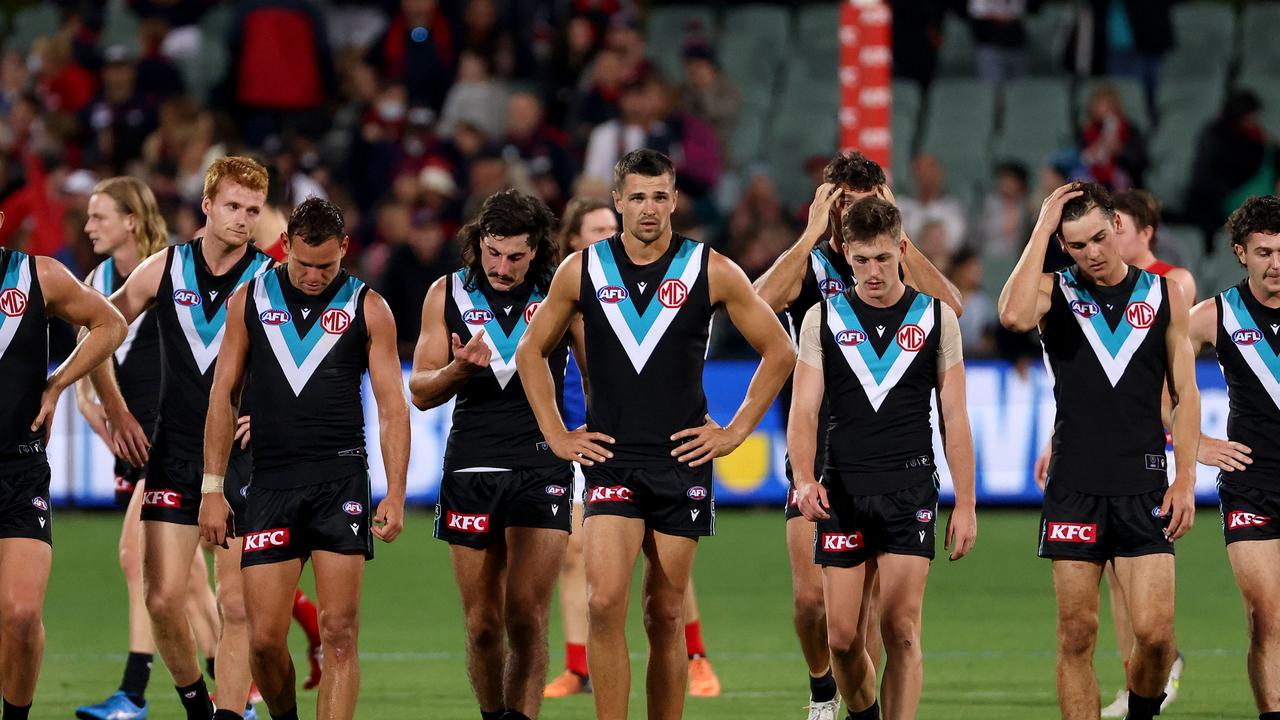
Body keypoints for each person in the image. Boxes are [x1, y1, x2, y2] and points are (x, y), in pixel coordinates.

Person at [515, 149, 796, 720]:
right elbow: (529, 353)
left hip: (682, 461)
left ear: (674, 200)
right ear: (618, 202)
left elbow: (781, 350)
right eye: (637, 197)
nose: (648, 208)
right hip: (612, 461)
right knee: (604, 601)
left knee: (665, 613)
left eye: (659, 196)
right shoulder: (583, 269)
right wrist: (557, 434)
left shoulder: (711, 268)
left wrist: (737, 430)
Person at [751, 151, 961, 719]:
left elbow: (953, 308)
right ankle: (823, 686)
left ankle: (852, 707)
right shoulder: (813, 265)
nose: (853, 210)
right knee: (810, 597)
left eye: (866, 201)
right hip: (816, 440)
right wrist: (811, 233)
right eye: (842, 201)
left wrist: (900, 239)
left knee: (874, 615)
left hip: (886, 446)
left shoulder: (893, 261)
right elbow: (757, 306)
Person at [198, 197, 408, 720]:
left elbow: (391, 409)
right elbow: (222, 395)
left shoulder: (368, 306)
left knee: (339, 632)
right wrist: (212, 487)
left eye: (327, 266)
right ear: (285, 246)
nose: (314, 277)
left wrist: (397, 491)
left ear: (345, 250)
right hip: (269, 485)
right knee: (265, 641)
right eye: (304, 264)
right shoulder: (248, 301)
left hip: (340, 481)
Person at [997, 181, 1199, 720]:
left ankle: (1140, 711)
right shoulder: (1053, 290)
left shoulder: (1163, 295)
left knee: (1154, 637)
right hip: (1074, 488)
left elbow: (1186, 396)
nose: (1093, 252)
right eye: (1078, 244)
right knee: (1076, 636)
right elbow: (1012, 317)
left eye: (1099, 238)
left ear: (1116, 225)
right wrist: (1041, 227)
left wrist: (1183, 480)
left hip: (1144, 486)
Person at [91, 156, 277, 720]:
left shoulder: (271, 277)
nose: (243, 219)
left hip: (243, 458)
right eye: (233, 207)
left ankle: (227, 712)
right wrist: (114, 407)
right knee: (163, 599)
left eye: (252, 210)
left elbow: (318, 363)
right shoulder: (165, 268)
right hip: (172, 452)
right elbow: (98, 323)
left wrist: (268, 414)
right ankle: (197, 703)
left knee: (237, 604)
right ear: (207, 206)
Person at [791, 196, 978, 720]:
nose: (872, 272)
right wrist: (804, 479)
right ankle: (863, 713)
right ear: (846, 253)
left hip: (909, 490)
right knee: (844, 639)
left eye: (882, 258)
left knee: (900, 627)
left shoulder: (937, 317)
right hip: (842, 492)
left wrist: (966, 504)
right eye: (860, 260)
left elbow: (956, 419)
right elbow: (804, 410)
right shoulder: (822, 318)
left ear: (901, 249)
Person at [542, 197, 722, 699]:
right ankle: (579, 666)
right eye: (596, 230)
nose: (608, 237)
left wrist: (723, 425)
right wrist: (556, 433)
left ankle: (697, 652)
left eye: (609, 228)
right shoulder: (573, 289)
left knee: (664, 583)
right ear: (575, 242)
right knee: (582, 560)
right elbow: (528, 355)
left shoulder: (673, 282)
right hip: (591, 443)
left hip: (654, 447)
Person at [410, 189, 575, 720]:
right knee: (483, 624)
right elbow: (419, 388)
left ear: (537, 252)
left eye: (515, 257)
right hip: (472, 463)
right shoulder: (446, 293)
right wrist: (458, 371)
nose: (501, 268)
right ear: (477, 244)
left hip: (541, 461)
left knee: (527, 616)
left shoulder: (559, 292)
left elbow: (600, 374)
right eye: (493, 253)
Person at [72, 176, 226, 720]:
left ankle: (134, 692)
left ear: (132, 221)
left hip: (171, 437)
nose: (88, 226)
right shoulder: (95, 279)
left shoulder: (170, 270)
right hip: (132, 442)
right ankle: (233, 690)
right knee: (185, 581)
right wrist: (105, 417)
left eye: (99, 216)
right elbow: (93, 366)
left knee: (139, 558)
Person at [0, 211, 131, 720]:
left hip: (20, 470)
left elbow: (110, 324)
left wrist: (58, 384)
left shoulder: (39, 276)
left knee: (23, 612)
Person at [1188, 195, 1280, 720]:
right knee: (1265, 615)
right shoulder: (1216, 314)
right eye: (1264, 252)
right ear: (1241, 252)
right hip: (1251, 482)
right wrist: (1195, 442)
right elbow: (1153, 379)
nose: (1276, 265)